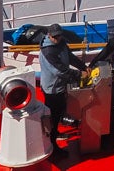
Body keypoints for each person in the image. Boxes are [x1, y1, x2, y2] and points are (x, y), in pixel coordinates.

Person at [40, 24, 86, 152]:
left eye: (59, 36)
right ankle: (52, 144)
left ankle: (55, 134)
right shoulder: (48, 51)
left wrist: (82, 66)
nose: (57, 38)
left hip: (59, 86)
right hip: (52, 89)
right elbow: (59, 71)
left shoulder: (60, 43)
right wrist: (78, 74)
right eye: (54, 37)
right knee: (53, 116)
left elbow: (69, 57)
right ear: (49, 36)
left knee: (59, 111)